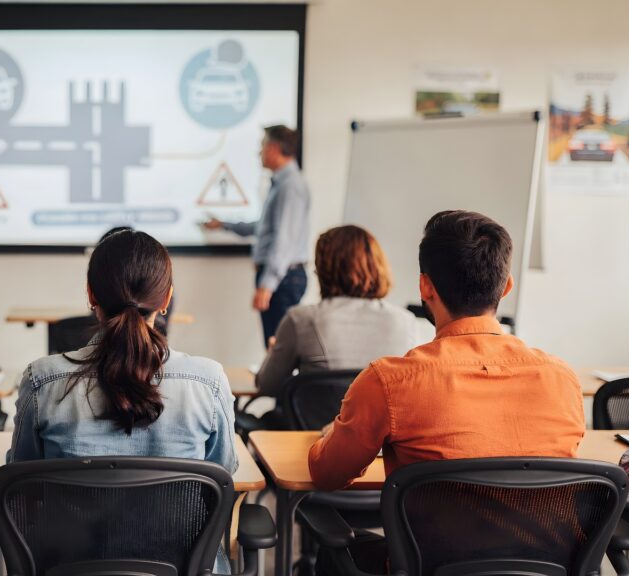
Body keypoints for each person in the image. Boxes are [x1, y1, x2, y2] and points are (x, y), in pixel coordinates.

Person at [308, 211, 584, 570]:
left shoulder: (389, 381)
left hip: (431, 566)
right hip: (543, 567)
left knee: (337, 552)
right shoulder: (562, 379)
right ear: (506, 287)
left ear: (425, 287)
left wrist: (335, 433)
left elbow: (327, 475)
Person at [8, 229, 238, 570]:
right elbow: (221, 476)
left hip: (68, 567)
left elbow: (21, 482)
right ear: (166, 299)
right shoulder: (209, 383)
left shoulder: (42, 381)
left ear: (90, 294)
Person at [255, 225, 418, 397]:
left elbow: (267, 385)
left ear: (322, 270)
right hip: (383, 424)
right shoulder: (406, 321)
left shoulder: (300, 320)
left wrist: (275, 352)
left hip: (315, 424)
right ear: (378, 266)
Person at [203, 125, 311, 345]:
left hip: (283, 280)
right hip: (283, 278)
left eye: (261, 146)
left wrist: (267, 284)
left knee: (279, 349)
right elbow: (264, 229)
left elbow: (284, 241)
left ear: (273, 148)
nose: (258, 152)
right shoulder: (281, 185)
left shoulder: (290, 187)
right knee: (275, 347)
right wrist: (223, 224)